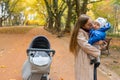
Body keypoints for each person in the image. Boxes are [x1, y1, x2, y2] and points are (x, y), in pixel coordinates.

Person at [69, 14, 101, 80]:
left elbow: (94, 41)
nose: (92, 25)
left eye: (92, 23)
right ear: (83, 25)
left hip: (91, 61)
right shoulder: (79, 33)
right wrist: (97, 52)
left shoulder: (90, 32)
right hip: (84, 61)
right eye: (89, 24)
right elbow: (86, 46)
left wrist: (101, 43)